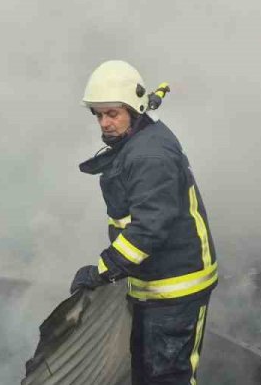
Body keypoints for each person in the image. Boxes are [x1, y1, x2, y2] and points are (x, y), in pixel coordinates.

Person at [69, 60, 218, 385]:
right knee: (148, 374)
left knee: (168, 379)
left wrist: (102, 271)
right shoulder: (141, 128)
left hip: (176, 289)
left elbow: (149, 229)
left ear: (131, 111)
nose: (104, 123)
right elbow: (150, 103)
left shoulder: (150, 157)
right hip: (155, 285)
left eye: (112, 113)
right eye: (98, 114)